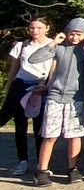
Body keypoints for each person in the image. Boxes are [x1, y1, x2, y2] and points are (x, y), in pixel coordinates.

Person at [32, 18, 84, 187]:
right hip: (55, 96)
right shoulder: (59, 47)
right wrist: (53, 43)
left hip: (76, 98)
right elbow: (34, 59)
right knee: (50, 135)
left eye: (79, 34)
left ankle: (73, 168)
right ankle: (42, 170)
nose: (74, 37)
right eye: (71, 34)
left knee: (74, 136)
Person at [1, 16, 54, 177]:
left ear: (47, 28)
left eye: (39, 27)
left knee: (40, 126)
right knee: (20, 124)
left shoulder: (53, 45)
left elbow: (53, 68)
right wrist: (8, 89)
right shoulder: (21, 45)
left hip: (40, 85)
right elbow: (14, 69)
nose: (35, 31)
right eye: (32, 28)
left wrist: (47, 86)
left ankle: (40, 162)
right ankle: (22, 161)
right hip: (21, 84)